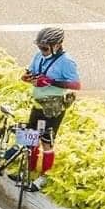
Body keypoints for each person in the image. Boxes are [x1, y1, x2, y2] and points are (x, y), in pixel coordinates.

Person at [21, 26, 80, 190]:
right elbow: (29, 72)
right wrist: (26, 77)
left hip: (53, 108)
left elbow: (76, 84)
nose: (42, 50)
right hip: (38, 104)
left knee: (46, 142)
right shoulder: (39, 56)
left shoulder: (66, 62)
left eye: (45, 48)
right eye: (39, 47)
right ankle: (27, 170)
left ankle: (43, 177)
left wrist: (50, 82)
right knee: (29, 138)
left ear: (57, 45)